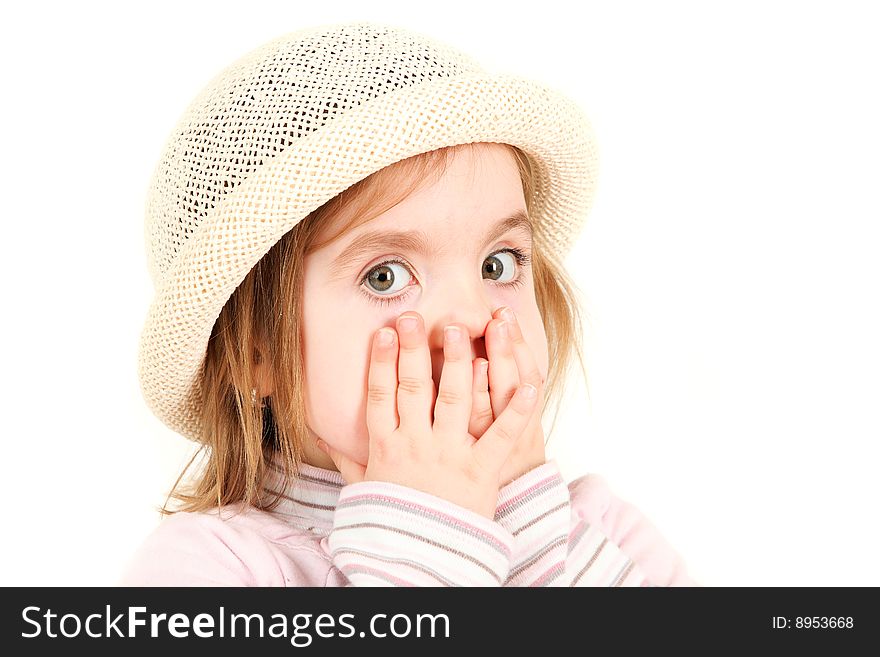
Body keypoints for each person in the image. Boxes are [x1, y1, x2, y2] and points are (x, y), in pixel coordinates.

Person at [123, 20, 697, 586]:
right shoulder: (208, 566)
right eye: (386, 276)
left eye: (498, 264)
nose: (473, 318)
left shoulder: (607, 537)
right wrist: (430, 550)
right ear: (255, 355)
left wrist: (528, 537)